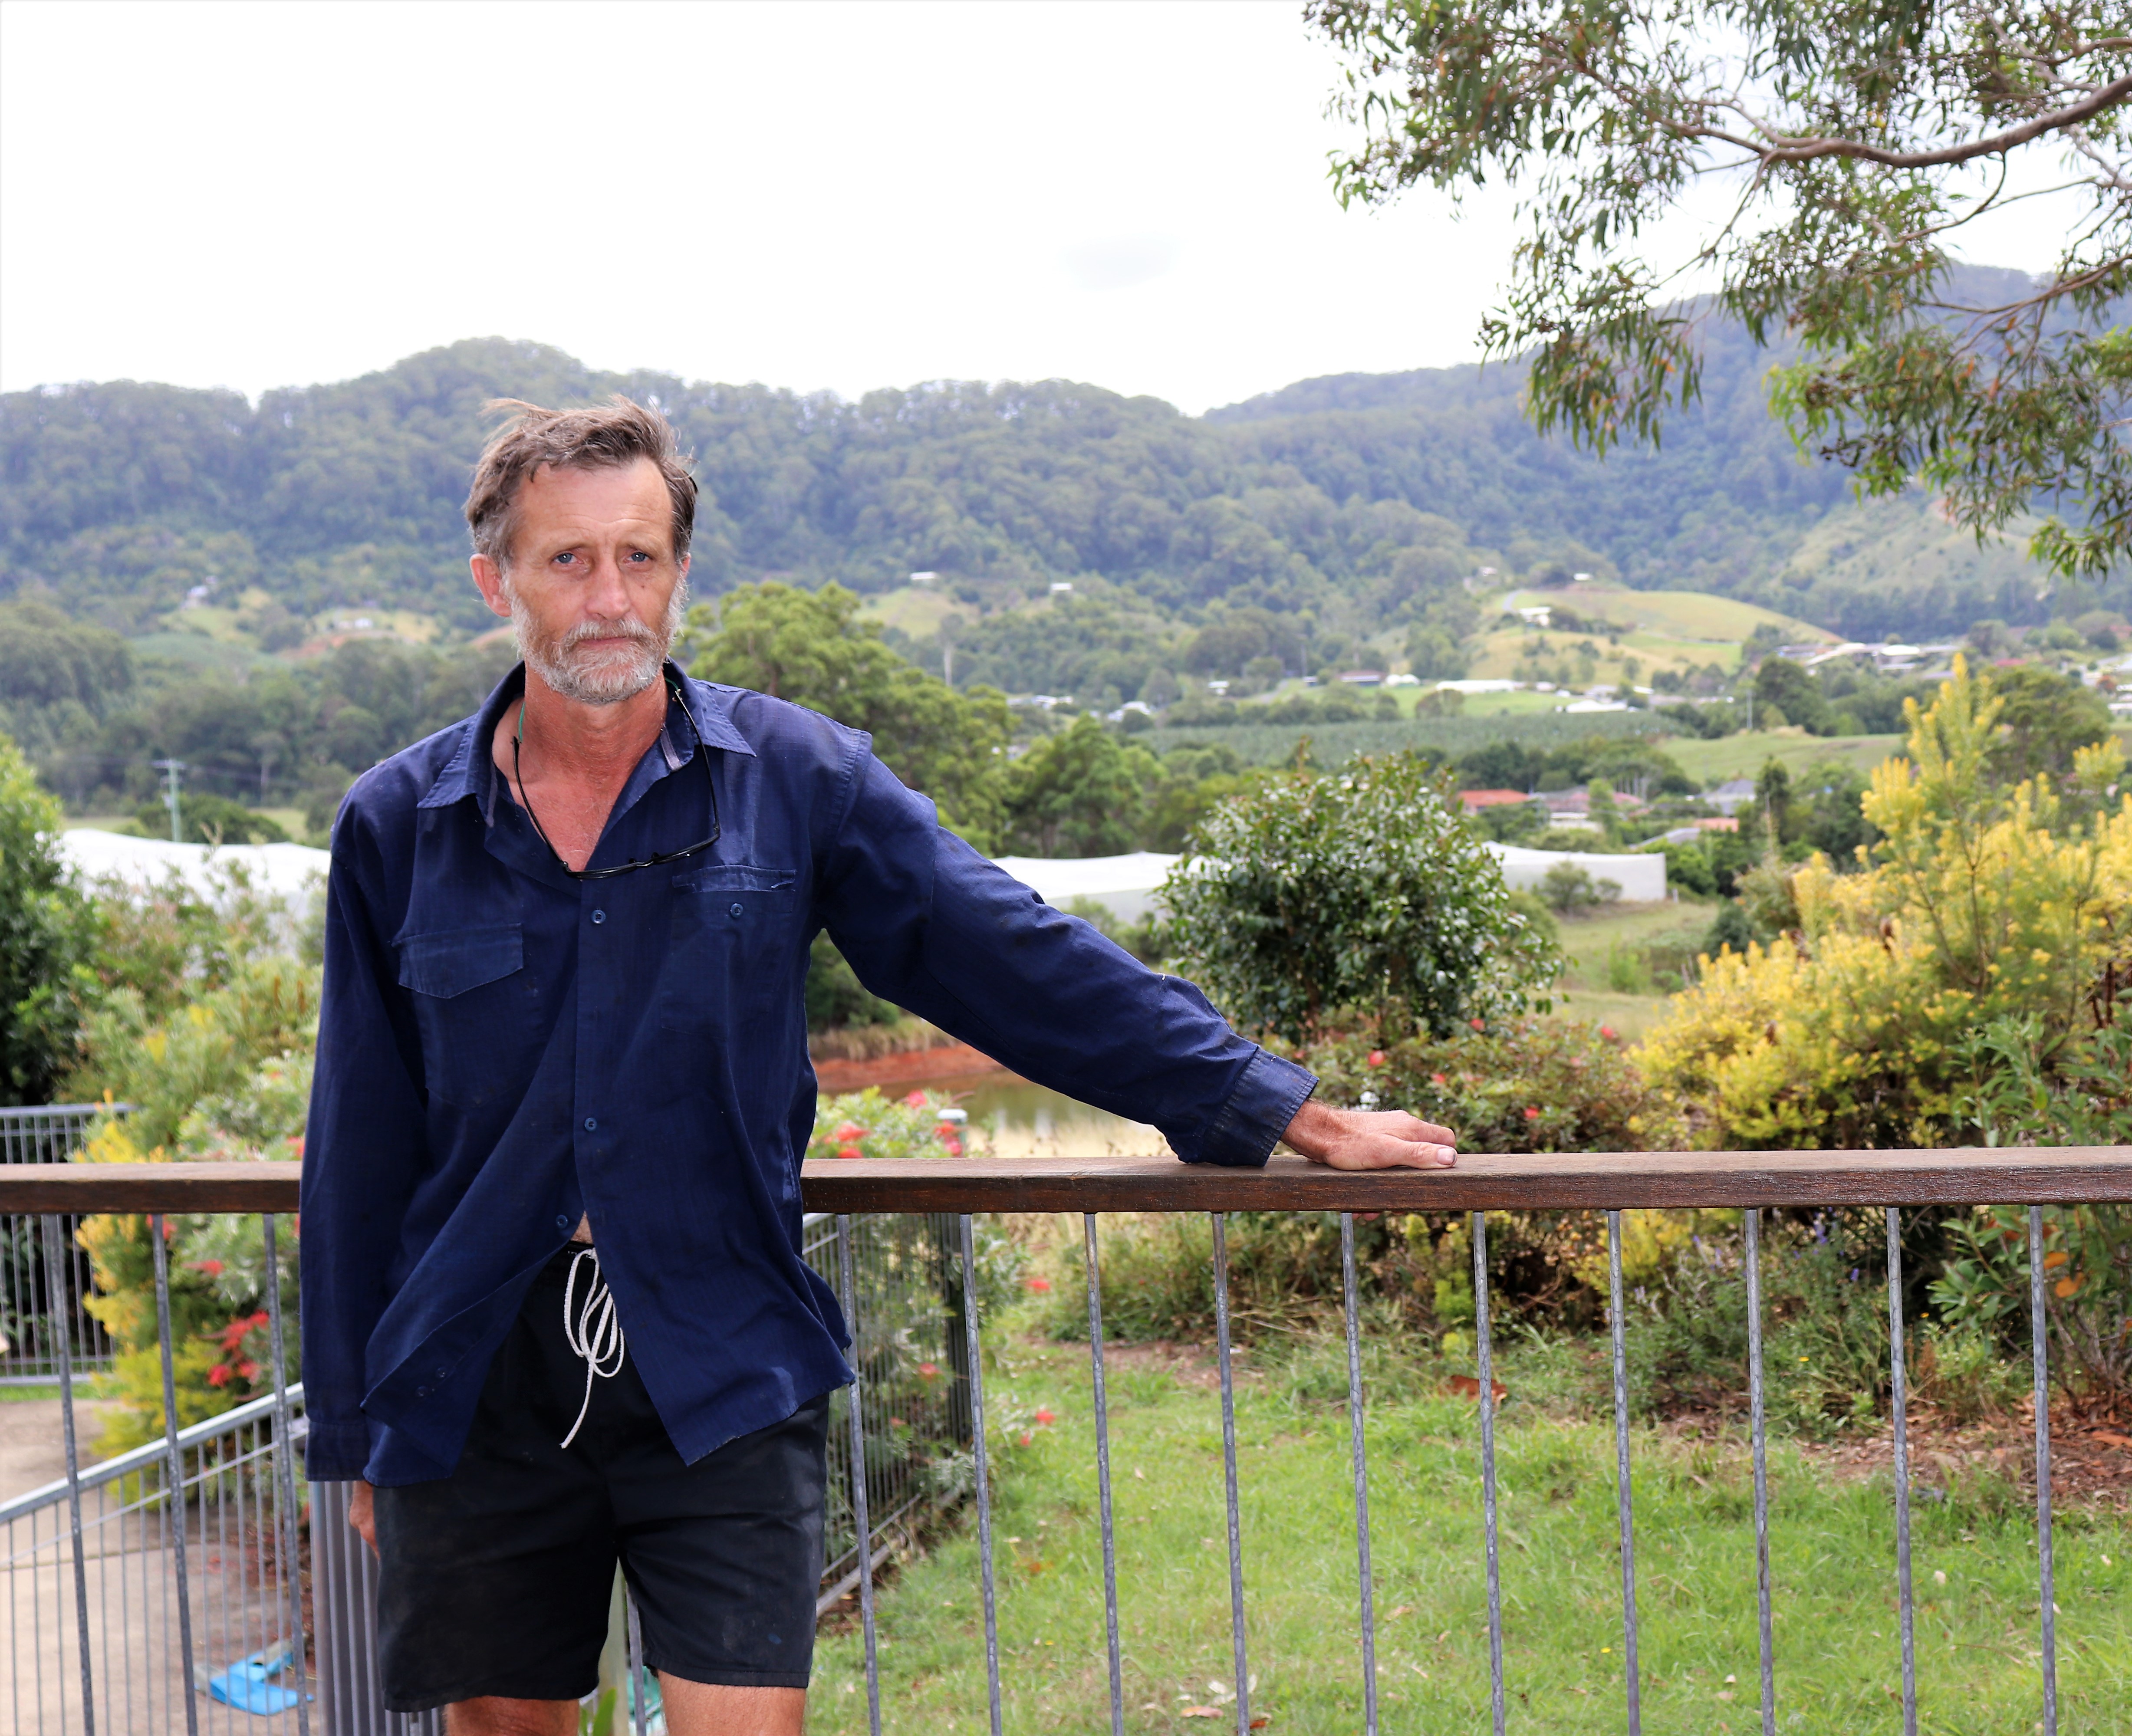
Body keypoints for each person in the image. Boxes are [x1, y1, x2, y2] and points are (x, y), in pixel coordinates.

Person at [301, 397, 1459, 1736]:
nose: (609, 595)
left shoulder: (795, 780)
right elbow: (359, 1145)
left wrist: (1281, 1108)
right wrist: (352, 1431)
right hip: (473, 1378)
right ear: (495, 579)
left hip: (721, 1357)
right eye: (567, 560)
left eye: (640, 557)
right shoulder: (399, 824)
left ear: (680, 570)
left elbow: (1009, 955)